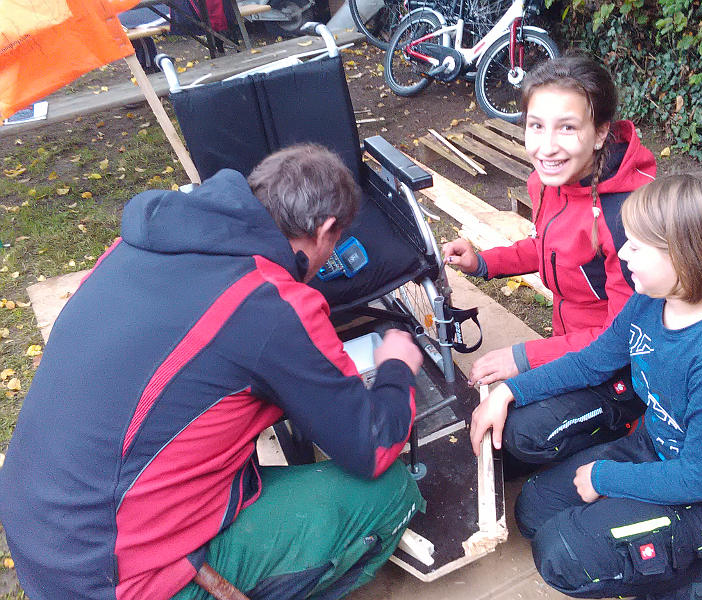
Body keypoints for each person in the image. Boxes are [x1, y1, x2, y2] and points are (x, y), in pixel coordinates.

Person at [0, 144, 424, 599]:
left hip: (42, 538)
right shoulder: (268, 303)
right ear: (324, 231)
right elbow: (372, 445)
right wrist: (397, 366)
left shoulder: (133, 246)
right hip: (112, 581)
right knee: (390, 492)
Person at [470, 172, 702, 600]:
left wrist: (606, 478)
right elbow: (592, 362)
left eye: (637, 246)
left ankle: (700, 577)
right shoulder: (651, 300)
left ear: (686, 256)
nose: (622, 253)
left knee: (562, 555)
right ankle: (633, 525)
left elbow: (699, 479)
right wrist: (510, 392)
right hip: (658, 447)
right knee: (532, 514)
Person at [443, 55, 656, 466]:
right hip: (572, 347)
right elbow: (547, 246)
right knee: (490, 427)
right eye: (536, 126)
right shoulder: (550, 181)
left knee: (515, 440)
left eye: (568, 127)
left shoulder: (629, 219)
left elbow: (623, 341)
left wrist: (523, 358)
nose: (546, 147)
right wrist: (482, 262)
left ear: (600, 134)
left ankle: (623, 434)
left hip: (620, 372)